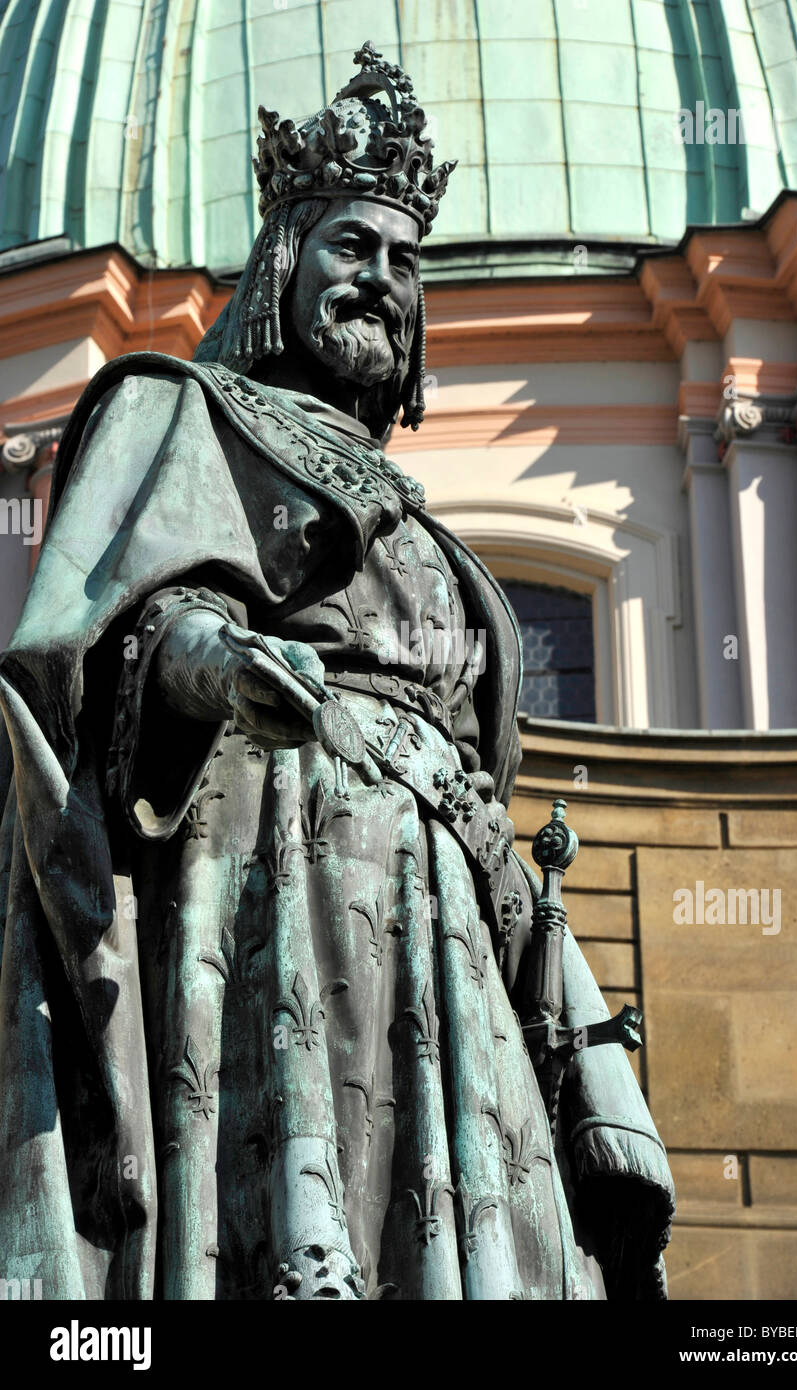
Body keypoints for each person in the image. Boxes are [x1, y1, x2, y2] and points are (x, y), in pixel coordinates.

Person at [0, 42, 673, 1300]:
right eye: (350, 248)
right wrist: (216, 666)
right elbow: (107, 642)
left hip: (444, 928)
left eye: (404, 261)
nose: (380, 281)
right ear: (281, 266)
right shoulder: (182, 416)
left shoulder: (437, 543)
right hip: (268, 879)